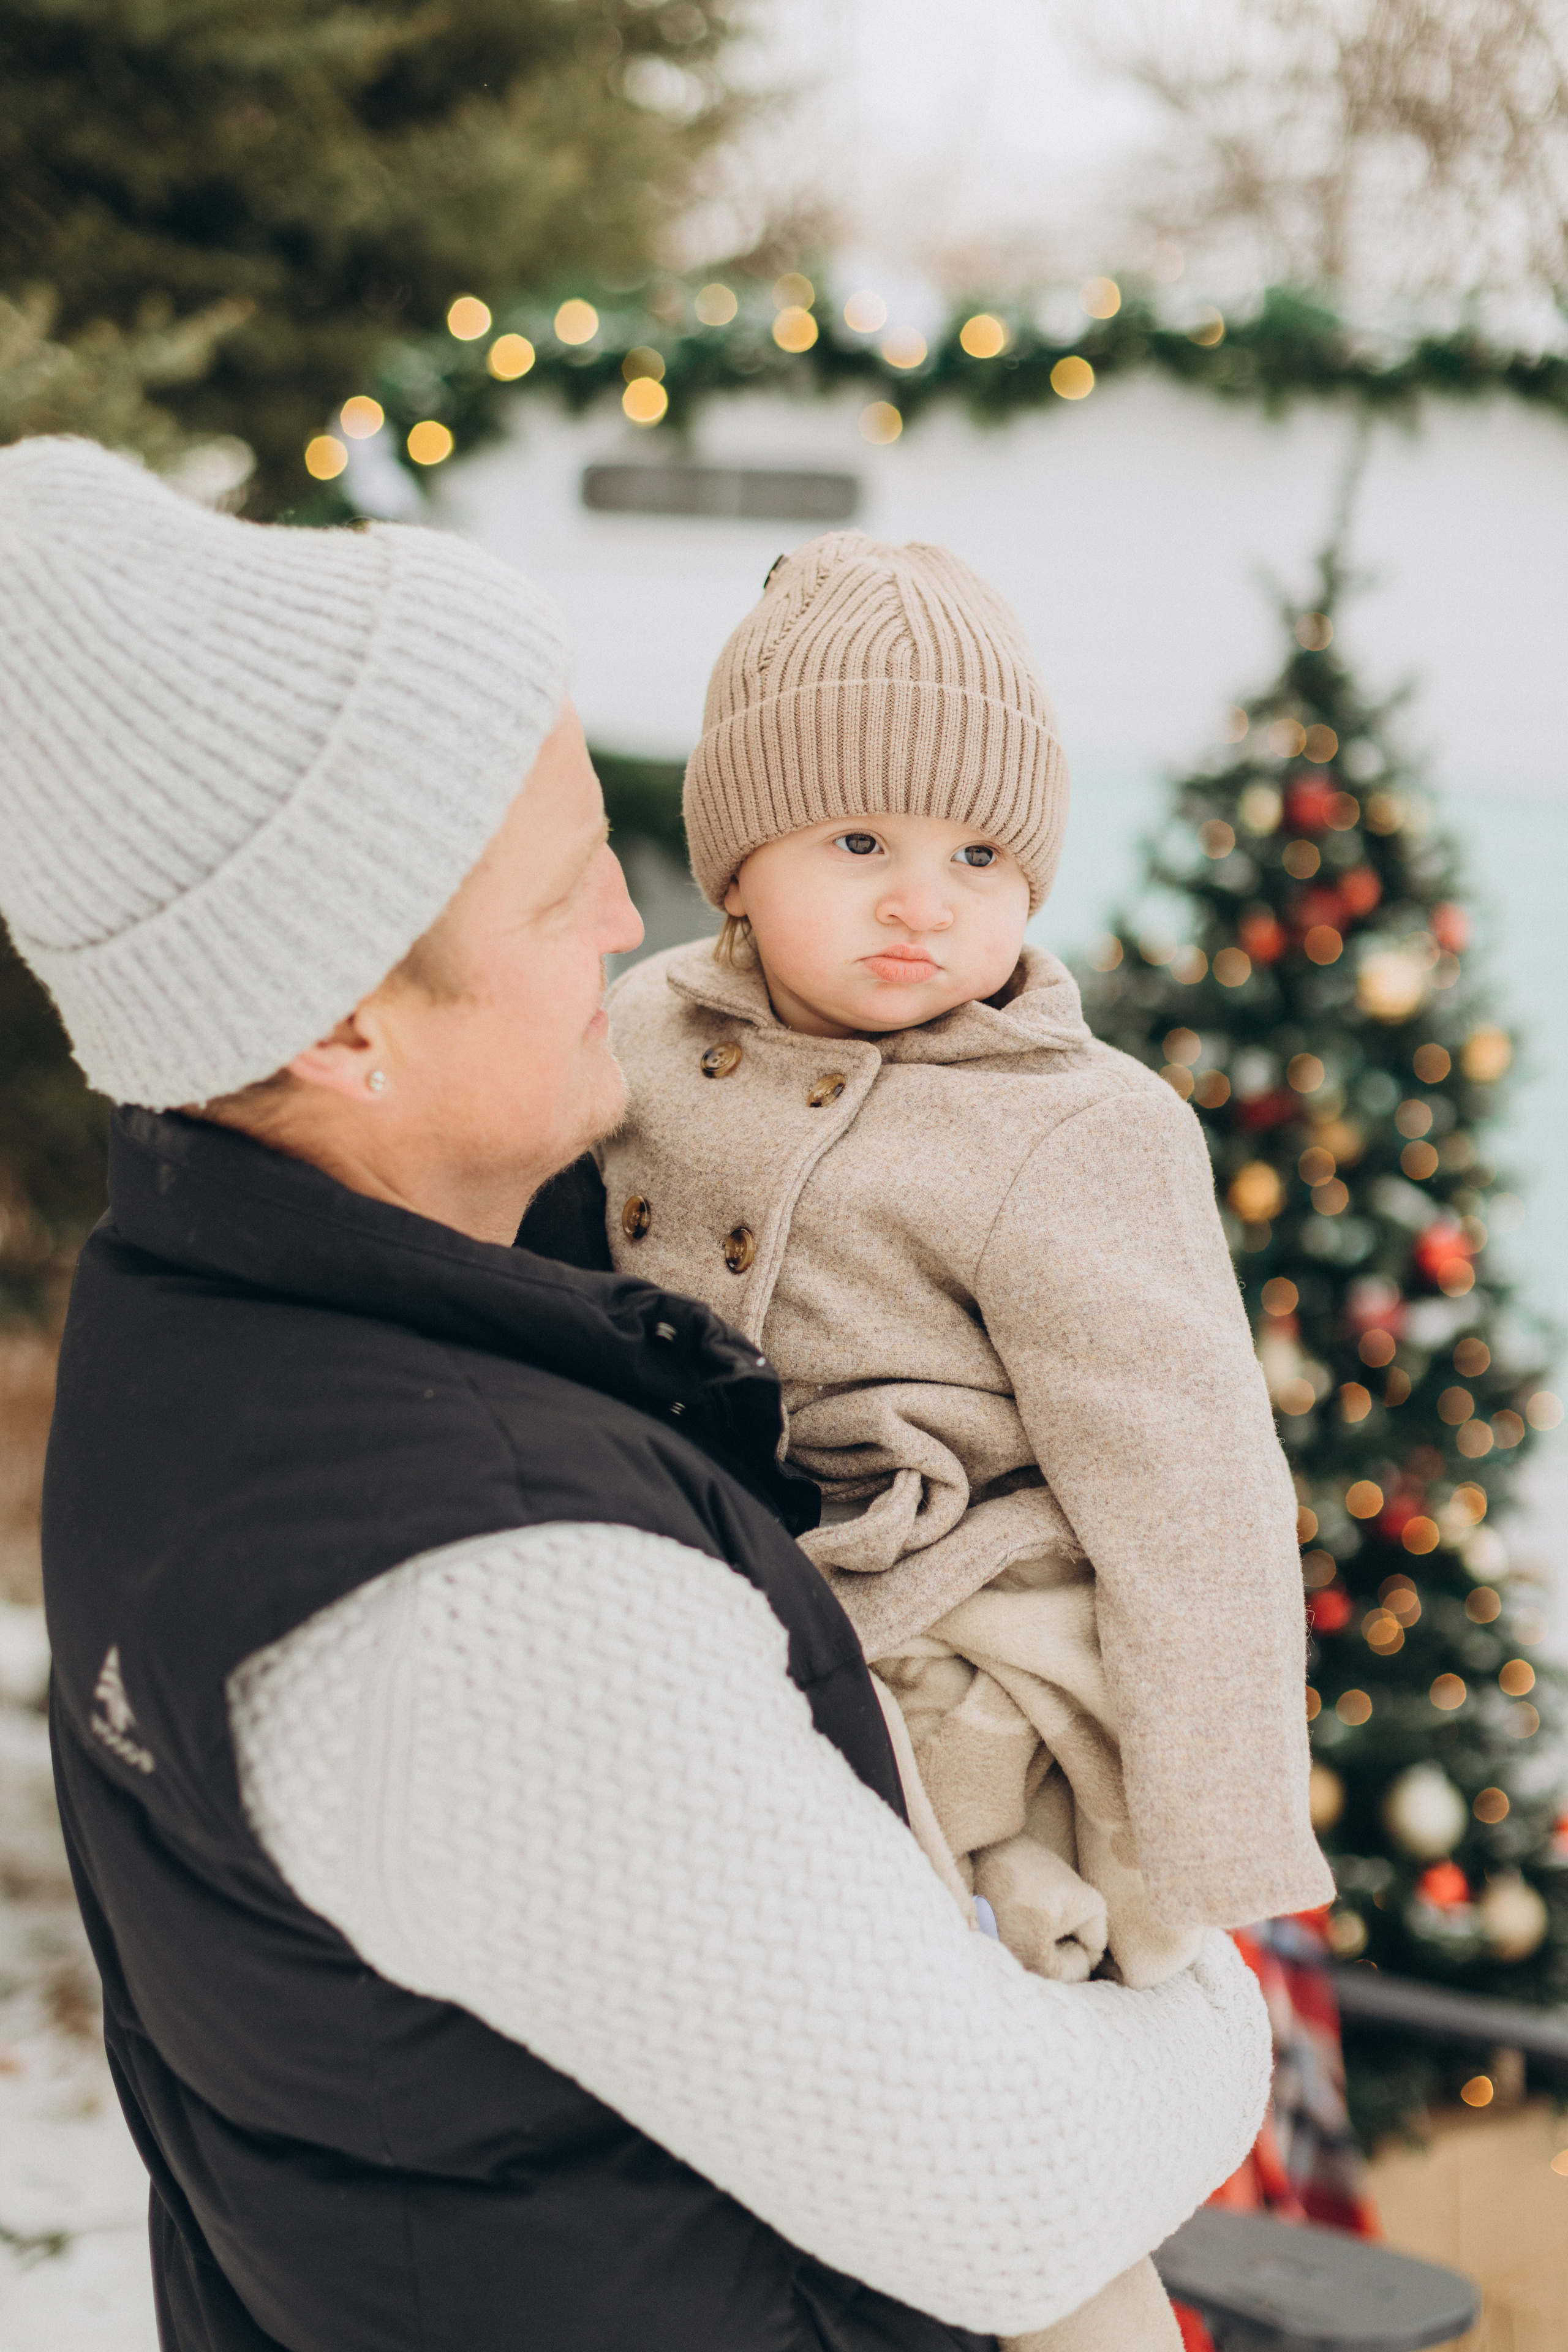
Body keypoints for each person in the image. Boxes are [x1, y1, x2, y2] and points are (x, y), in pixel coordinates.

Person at [2, 437, 1272, 2352]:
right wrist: (1214, 2003)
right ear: (347, 1027)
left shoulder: (186, 1312)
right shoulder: (493, 1603)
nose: (632, 922)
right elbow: (1011, 2191)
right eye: (559, 886)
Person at [536, 533, 1335, 2342]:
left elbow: (1193, 1481)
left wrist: (1214, 1840)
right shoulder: (636, 1027)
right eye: (860, 845)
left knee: (956, 2108)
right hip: (698, 1579)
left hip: (952, 1616)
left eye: (980, 856)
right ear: (740, 856)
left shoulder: (1074, 1130)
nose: (925, 904)